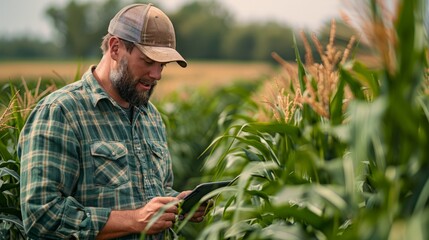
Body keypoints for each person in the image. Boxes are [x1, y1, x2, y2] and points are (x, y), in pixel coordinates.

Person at [18, 3, 207, 239]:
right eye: (148, 62)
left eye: (162, 65)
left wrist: (177, 204)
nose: (156, 75)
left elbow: (151, 192)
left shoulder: (151, 117)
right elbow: (42, 216)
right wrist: (135, 220)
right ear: (116, 48)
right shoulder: (61, 112)